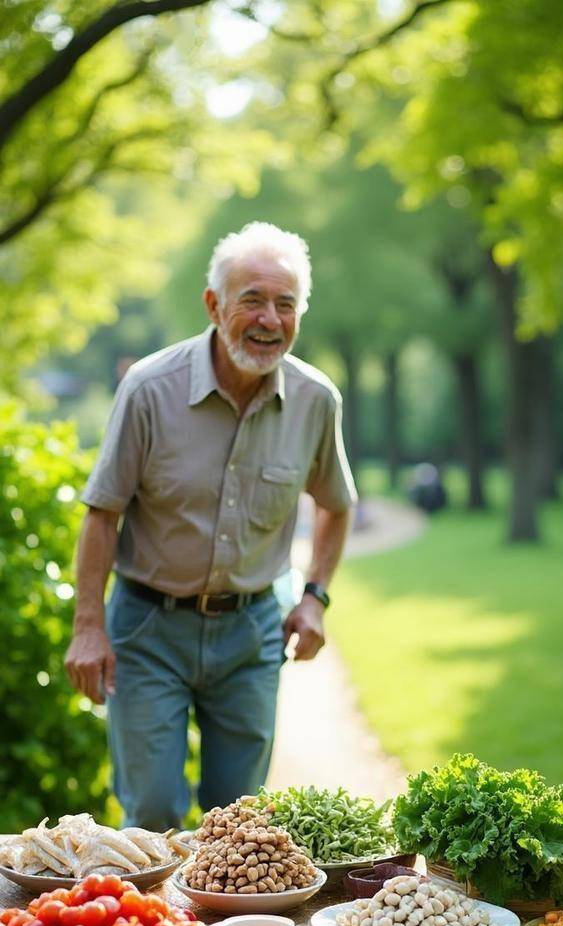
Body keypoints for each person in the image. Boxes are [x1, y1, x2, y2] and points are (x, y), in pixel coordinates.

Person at [64, 222, 357, 830]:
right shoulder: (149, 389)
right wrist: (88, 627)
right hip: (148, 629)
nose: (269, 319)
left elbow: (336, 502)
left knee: (239, 818)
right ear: (214, 304)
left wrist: (315, 598)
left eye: (285, 304)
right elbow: (103, 512)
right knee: (152, 815)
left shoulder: (314, 400)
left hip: (251, 632)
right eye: (252, 299)